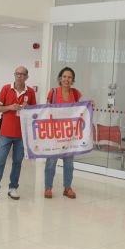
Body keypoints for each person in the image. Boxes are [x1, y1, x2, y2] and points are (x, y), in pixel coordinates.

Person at [0, 66, 36, 202]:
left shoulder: (30, 92)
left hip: (21, 134)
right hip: (6, 133)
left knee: (17, 162)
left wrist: (27, 109)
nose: (19, 76)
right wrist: (10, 107)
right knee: (0, 161)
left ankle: (13, 188)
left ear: (27, 76)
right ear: (14, 75)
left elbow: (34, 111)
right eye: (17, 74)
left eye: (22, 74)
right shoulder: (6, 88)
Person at [44, 67, 82, 199]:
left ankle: (67, 188)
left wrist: (89, 105)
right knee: (51, 162)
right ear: (60, 78)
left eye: (69, 77)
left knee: (69, 164)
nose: (67, 79)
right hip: (54, 134)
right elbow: (46, 111)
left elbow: (80, 109)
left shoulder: (76, 93)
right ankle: (48, 188)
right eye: (64, 76)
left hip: (69, 135)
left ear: (73, 80)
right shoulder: (53, 92)